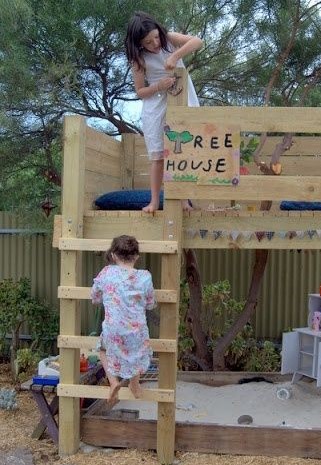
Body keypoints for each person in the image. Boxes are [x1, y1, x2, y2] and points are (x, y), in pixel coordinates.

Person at [125, 11, 203, 212]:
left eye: (155, 37)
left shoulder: (168, 39)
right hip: (156, 105)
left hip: (182, 99)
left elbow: (197, 41)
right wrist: (159, 85)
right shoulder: (139, 59)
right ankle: (153, 201)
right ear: (139, 43)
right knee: (158, 156)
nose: (155, 44)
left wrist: (176, 56)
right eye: (148, 42)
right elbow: (140, 91)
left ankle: (184, 200)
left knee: (182, 151)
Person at [91, 235, 155, 404]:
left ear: (113, 255)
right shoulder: (145, 277)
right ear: (136, 257)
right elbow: (150, 303)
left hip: (114, 329)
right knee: (135, 354)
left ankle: (113, 381)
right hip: (136, 330)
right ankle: (134, 383)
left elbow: (95, 296)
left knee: (103, 349)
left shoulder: (106, 272)